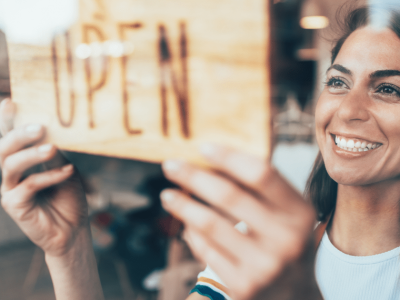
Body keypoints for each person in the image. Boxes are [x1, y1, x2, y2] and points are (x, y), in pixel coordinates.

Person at [1, 4, 400, 300]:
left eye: (388, 89)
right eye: (337, 82)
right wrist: (70, 248)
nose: (347, 111)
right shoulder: (258, 248)